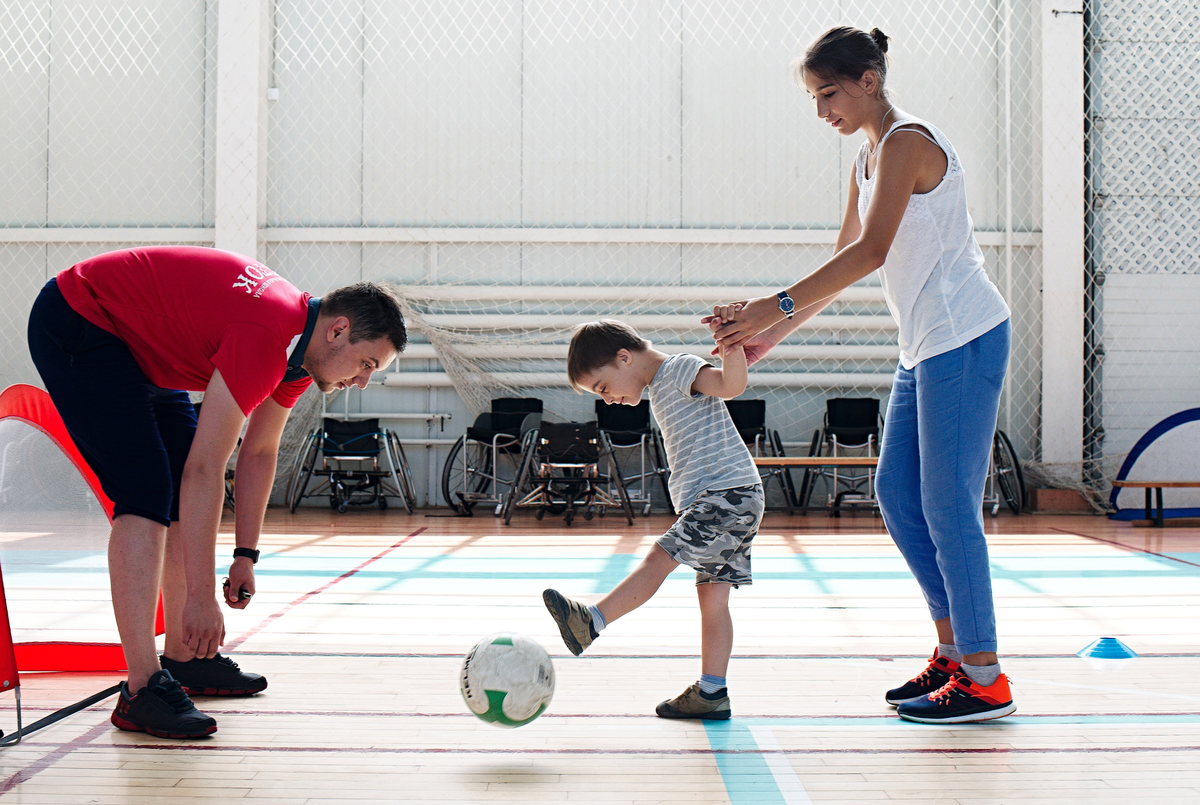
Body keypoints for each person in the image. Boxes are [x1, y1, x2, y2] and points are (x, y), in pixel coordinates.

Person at [706, 27, 1016, 723]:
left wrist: (768, 302)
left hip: (964, 338)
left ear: (868, 80)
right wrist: (769, 337)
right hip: (924, 346)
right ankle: (953, 652)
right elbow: (846, 255)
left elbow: (874, 252)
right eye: (815, 98)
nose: (823, 112)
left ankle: (985, 675)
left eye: (829, 94)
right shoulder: (868, 161)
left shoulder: (908, 142)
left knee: (947, 504)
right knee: (898, 494)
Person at [27, 246, 407, 738]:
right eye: (367, 363)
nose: (362, 381)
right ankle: (141, 689)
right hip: (80, 316)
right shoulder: (268, 336)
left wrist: (245, 555)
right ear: (338, 330)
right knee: (145, 488)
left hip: (136, 345)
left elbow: (258, 452)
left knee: (173, 474)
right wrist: (202, 599)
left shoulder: (298, 353)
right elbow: (205, 472)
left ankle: (185, 657)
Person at [543, 320, 763, 720]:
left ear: (623, 358)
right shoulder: (662, 384)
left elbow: (731, 387)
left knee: (658, 559)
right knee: (712, 597)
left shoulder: (676, 370)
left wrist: (731, 341)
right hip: (734, 496)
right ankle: (712, 692)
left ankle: (591, 621)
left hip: (726, 496)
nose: (608, 400)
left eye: (604, 388)